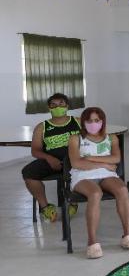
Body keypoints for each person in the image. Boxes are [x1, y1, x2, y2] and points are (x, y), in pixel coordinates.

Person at [67, 107, 129, 259]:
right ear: (83, 122)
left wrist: (90, 159)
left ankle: (127, 235)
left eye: (97, 120)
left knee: (122, 190)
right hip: (82, 176)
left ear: (102, 121)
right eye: (89, 121)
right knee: (95, 193)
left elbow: (116, 159)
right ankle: (92, 241)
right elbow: (76, 163)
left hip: (106, 174)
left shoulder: (111, 138)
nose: (93, 124)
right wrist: (105, 163)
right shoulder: (75, 139)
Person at [22, 93, 81, 222]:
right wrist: (49, 158)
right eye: (53, 105)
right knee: (28, 173)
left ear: (67, 106)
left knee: (74, 168)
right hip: (52, 160)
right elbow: (35, 150)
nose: (57, 107)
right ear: (49, 108)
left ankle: (73, 201)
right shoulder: (42, 127)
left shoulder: (78, 122)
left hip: (75, 161)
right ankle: (45, 207)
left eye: (61, 104)